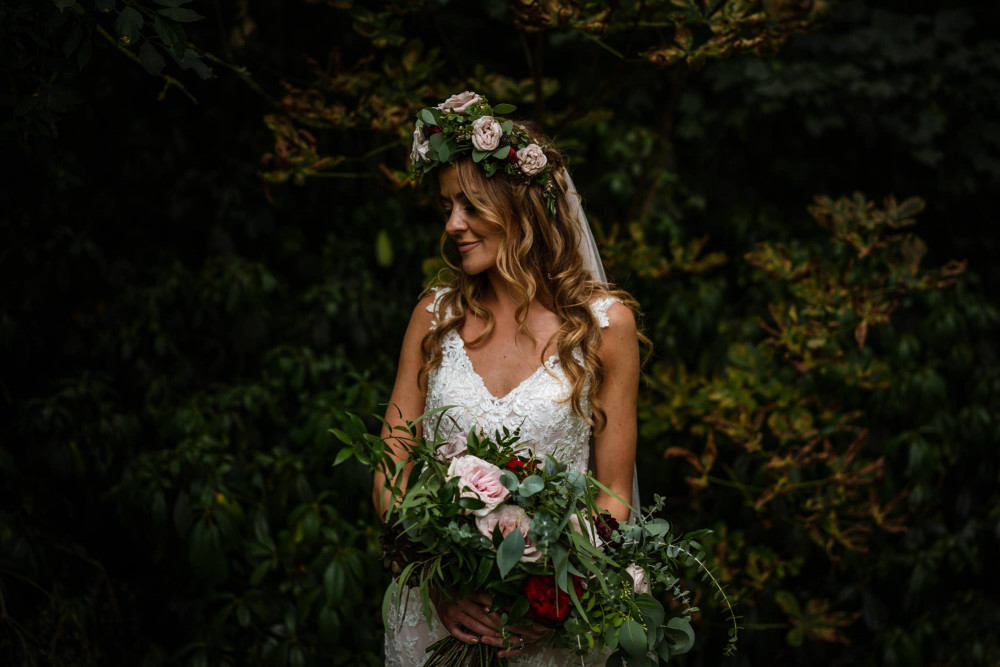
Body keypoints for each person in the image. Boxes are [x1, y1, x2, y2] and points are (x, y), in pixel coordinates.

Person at [375, 92, 646, 666]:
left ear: (521, 208)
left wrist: (551, 601)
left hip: (546, 631)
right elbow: (392, 465)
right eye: (447, 206)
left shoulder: (604, 328)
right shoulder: (433, 317)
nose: (453, 225)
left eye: (470, 206)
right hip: (438, 618)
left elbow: (613, 492)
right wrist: (437, 580)